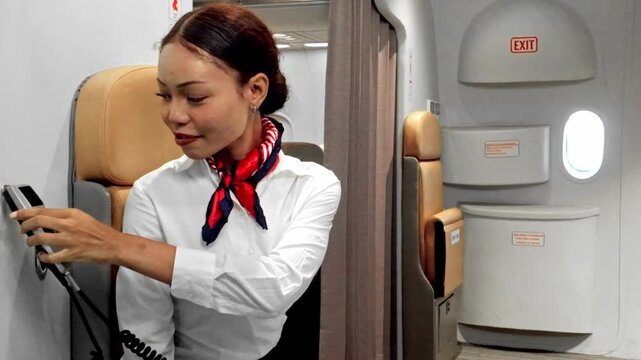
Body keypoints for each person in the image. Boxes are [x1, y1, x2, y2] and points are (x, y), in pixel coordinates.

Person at [9, 4, 340, 360]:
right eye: (164, 95)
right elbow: (146, 333)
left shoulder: (312, 185)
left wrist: (122, 247)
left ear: (255, 90)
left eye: (195, 97)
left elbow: (275, 287)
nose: (173, 115)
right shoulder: (153, 192)